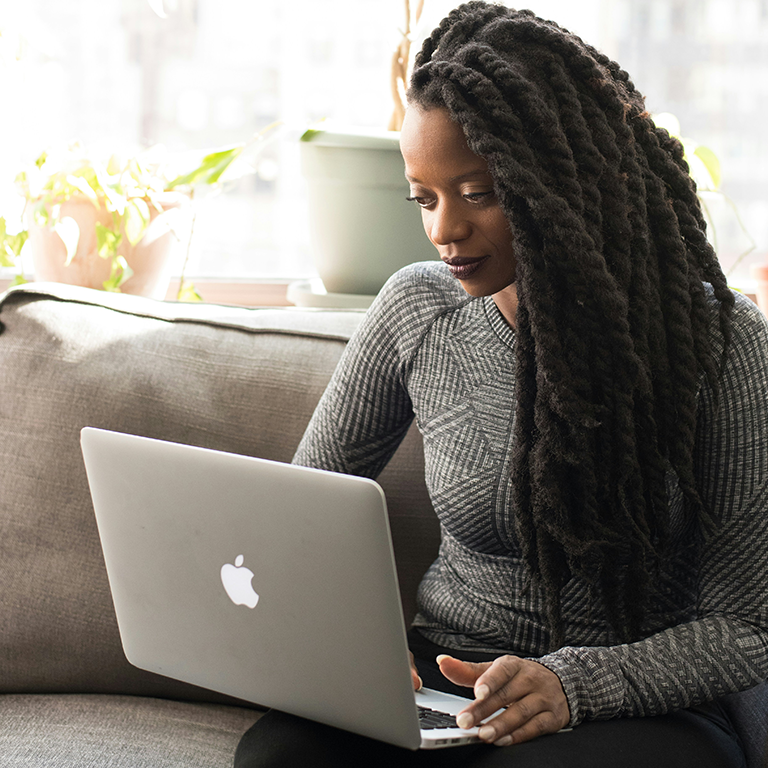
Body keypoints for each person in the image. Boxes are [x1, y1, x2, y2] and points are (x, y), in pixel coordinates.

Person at [235, 2, 768, 765]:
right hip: (445, 673)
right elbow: (295, 514)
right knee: (278, 758)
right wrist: (352, 649)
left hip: (634, 701)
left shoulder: (723, 347)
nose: (444, 229)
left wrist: (571, 685)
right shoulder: (417, 310)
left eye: (477, 193)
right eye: (424, 198)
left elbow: (744, 628)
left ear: (562, 181)